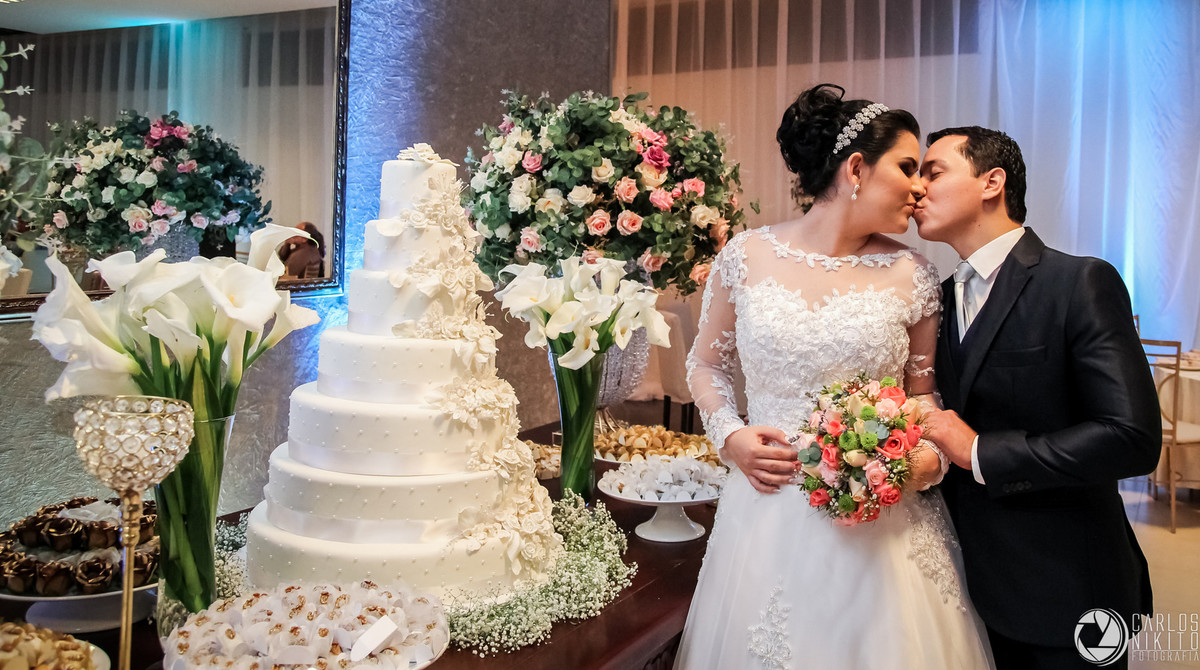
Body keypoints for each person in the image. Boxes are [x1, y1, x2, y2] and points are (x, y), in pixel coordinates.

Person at [675, 84, 993, 669]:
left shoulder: (914, 274)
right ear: (855, 169)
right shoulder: (745, 255)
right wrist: (730, 436)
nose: (920, 186)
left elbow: (922, 395)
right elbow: (706, 363)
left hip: (884, 521)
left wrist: (932, 458)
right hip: (769, 507)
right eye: (907, 167)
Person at [915, 126, 1161, 670]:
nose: (916, 189)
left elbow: (1132, 438)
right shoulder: (934, 297)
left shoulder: (1078, 282)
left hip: (1066, 587)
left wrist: (980, 451)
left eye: (933, 172)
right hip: (964, 587)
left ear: (991, 182)